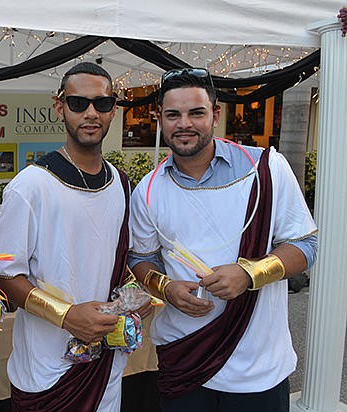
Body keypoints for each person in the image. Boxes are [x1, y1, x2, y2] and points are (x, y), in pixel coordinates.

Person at [127, 67, 318, 412]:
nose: (184, 124)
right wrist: (166, 287)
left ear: (215, 115)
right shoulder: (148, 190)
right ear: (160, 119)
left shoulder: (265, 169)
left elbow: (306, 246)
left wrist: (250, 273)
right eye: (173, 115)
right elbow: (141, 258)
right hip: (184, 360)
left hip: (257, 368)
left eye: (196, 113)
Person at [0, 62, 153, 412]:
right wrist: (65, 315)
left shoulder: (122, 184)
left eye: (102, 103)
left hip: (106, 366)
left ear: (113, 110)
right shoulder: (30, 186)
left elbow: (120, 262)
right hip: (47, 371)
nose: (91, 113)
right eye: (78, 103)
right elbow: (4, 276)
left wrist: (136, 298)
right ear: (59, 106)